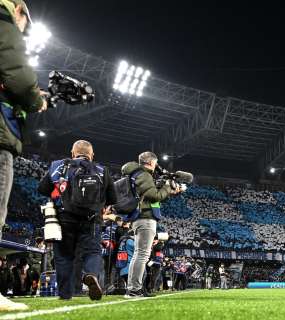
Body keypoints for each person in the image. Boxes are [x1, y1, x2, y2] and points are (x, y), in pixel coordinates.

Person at [0, 0, 49, 311]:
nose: (24, 31)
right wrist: (35, 99)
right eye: (25, 25)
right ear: (19, 10)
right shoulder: (4, 22)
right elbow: (17, 72)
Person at [38, 140, 117, 300]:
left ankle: (65, 294)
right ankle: (90, 274)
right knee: (93, 251)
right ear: (91, 155)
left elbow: (42, 189)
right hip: (92, 219)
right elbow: (112, 198)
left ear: (72, 153)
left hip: (64, 218)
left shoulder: (58, 166)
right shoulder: (102, 170)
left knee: (64, 256)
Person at [122, 152, 182, 298]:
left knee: (139, 254)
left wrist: (167, 191)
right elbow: (155, 196)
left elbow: (152, 197)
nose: (156, 167)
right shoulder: (143, 174)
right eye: (155, 163)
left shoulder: (139, 174)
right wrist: (167, 187)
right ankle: (133, 289)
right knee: (142, 255)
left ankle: (134, 288)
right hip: (145, 218)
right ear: (150, 162)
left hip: (140, 218)